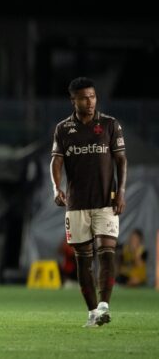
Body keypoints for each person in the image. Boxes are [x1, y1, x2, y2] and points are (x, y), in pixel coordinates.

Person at [51, 76, 127, 328]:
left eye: (93, 96)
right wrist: (56, 188)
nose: (90, 101)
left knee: (107, 253)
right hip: (77, 205)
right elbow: (57, 161)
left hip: (107, 202)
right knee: (84, 261)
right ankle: (93, 313)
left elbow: (121, 161)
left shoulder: (109, 125)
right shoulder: (63, 129)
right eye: (84, 97)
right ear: (73, 100)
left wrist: (122, 192)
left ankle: (104, 304)